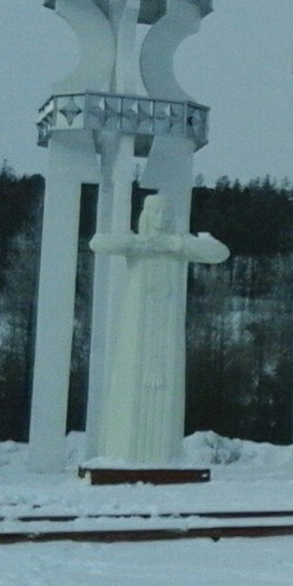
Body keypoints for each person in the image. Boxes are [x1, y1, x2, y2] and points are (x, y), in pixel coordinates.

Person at [89, 195, 230, 464]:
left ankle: (163, 457)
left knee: (167, 385)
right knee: (131, 384)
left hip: (167, 327)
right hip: (137, 325)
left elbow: (219, 252)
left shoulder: (177, 245)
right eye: (156, 212)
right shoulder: (137, 244)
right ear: (146, 215)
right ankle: (125, 454)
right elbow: (98, 243)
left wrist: (175, 244)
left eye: (166, 213)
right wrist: (138, 242)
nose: (162, 218)